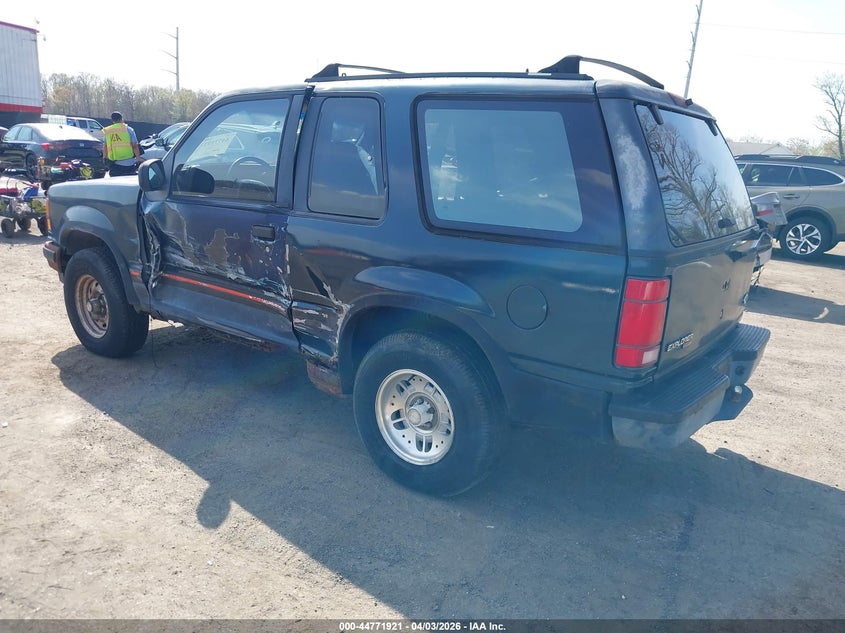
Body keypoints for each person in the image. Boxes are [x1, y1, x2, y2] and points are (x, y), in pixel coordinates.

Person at [102, 111, 143, 177]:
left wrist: (105, 158)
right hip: (129, 164)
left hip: (115, 165)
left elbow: (105, 147)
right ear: (122, 119)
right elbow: (135, 146)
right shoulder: (129, 130)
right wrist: (138, 158)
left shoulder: (108, 131)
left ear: (112, 120)